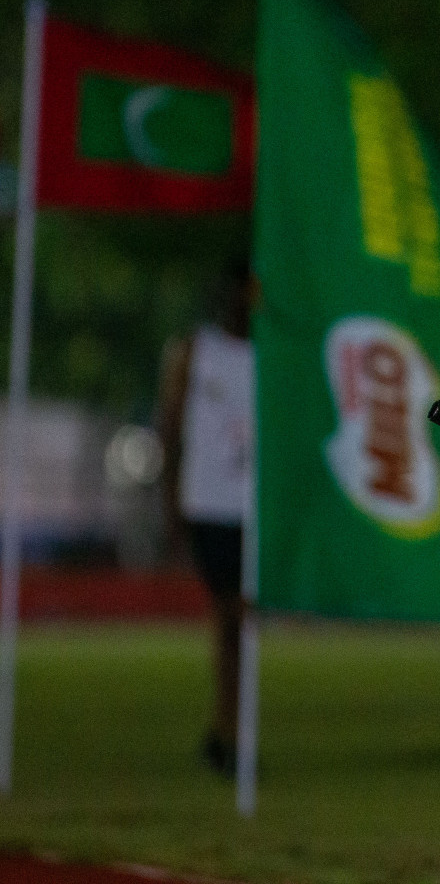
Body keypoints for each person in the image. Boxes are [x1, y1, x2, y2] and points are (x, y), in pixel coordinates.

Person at [156, 258, 255, 778]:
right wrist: (169, 501)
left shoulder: (275, 356)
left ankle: (226, 730)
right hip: (210, 503)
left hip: (255, 509)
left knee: (237, 620)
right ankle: (228, 729)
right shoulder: (196, 351)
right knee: (229, 618)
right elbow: (169, 426)